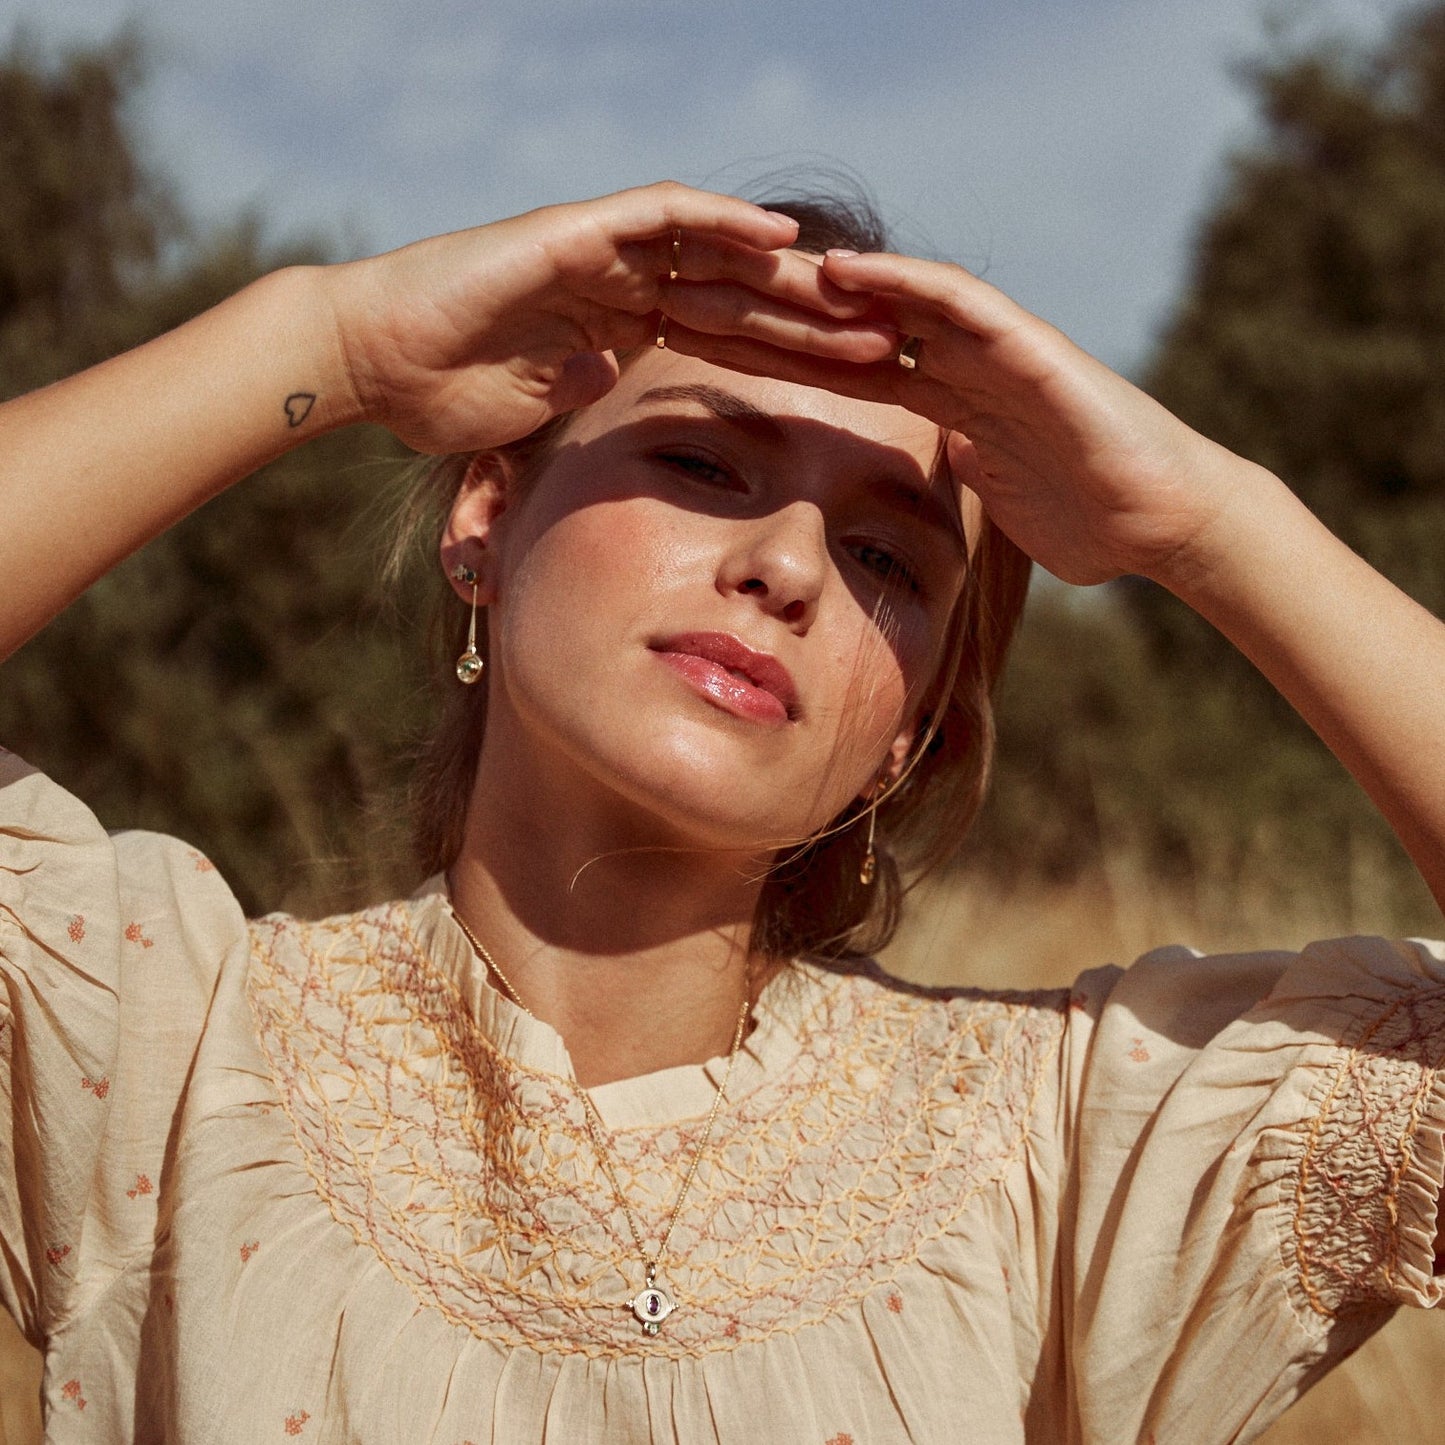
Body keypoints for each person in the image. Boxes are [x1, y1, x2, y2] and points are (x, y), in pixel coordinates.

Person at [0, 179, 1442, 1444]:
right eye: (700, 463)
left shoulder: (1072, 1149)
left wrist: (1209, 522)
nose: (789, 564)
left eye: (886, 552)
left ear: (908, 733)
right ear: (484, 522)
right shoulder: (163, 1044)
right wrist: (328, 340)